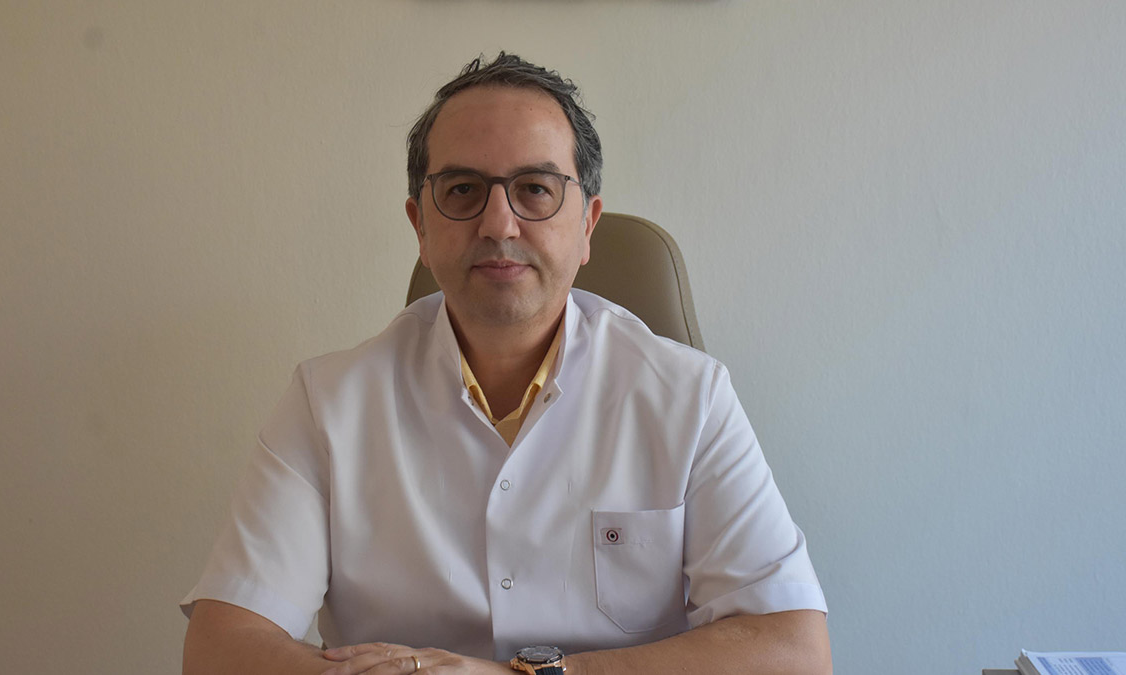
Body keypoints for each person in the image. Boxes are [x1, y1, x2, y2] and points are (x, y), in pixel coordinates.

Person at [181, 53, 831, 675]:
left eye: (535, 189)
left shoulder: (690, 395)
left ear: (587, 225)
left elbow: (795, 651)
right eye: (463, 189)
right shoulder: (328, 401)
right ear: (419, 226)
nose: (499, 223)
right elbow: (218, 649)